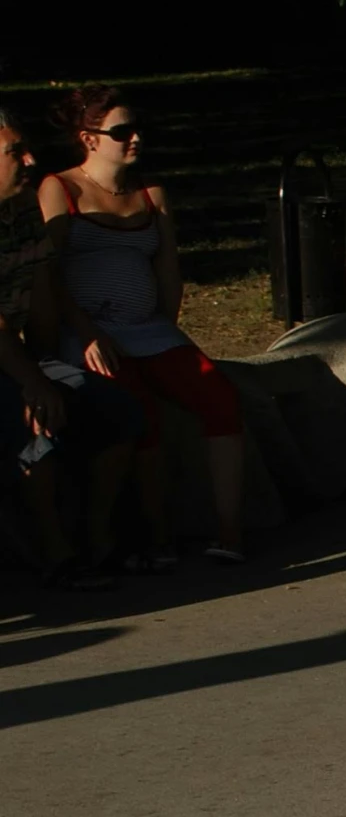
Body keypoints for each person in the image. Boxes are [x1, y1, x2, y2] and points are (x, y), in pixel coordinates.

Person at [39, 87, 247, 566]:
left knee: (220, 397)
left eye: (136, 129)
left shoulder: (151, 194)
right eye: (120, 132)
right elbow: (49, 271)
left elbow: (168, 269)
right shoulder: (61, 188)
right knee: (140, 417)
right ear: (88, 138)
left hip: (149, 329)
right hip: (92, 332)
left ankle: (230, 530)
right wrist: (86, 330)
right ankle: (156, 539)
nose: (134, 139)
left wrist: (168, 325)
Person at [0, 110, 139, 589]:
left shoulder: (23, 215)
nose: (30, 159)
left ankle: (98, 536)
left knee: (116, 408)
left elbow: (41, 306)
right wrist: (34, 385)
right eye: (14, 152)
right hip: (6, 363)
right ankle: (55, 551)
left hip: (14, 359)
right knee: (30, 423)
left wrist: (50, 368)